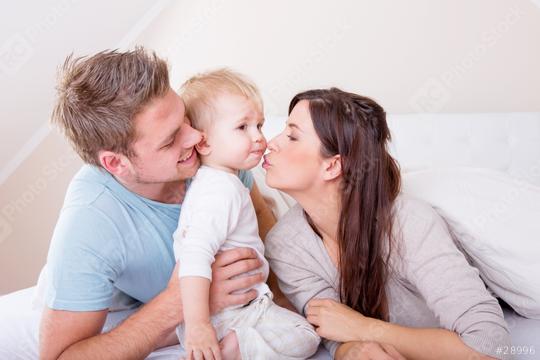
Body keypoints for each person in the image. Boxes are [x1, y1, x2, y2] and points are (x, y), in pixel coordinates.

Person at [37, 48, 276, 359]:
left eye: (185, 118)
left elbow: (260, 216)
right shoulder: (90, 224)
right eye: (169, 139)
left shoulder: (211, 153)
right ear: (116, 163)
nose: (194, 138)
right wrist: (183, 302)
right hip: (121, 304)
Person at [263, 88, 512, 360]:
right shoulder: (285, 244)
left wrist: (365, 328)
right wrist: (353, 352)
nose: (271, 142)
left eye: (292, 136)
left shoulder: (409, 224)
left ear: (333, 166)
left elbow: (492, 346)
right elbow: (333, 330)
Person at [173, 69, 320, 360]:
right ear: (203, 143)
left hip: (231, 310)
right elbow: (194, 256)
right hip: (228, 313)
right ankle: (233, 350)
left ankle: (230, 345)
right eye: (242, 128)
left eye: (260, 125)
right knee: (306, 335)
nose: (259, 138)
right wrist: (198, 325)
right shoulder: (220, 191)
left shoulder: (221, 182)